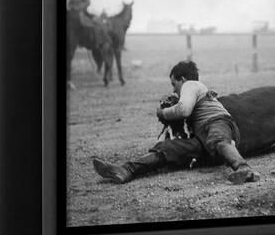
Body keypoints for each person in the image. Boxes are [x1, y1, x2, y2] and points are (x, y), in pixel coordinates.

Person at [93, 60, 261, 185]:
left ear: (182, 79)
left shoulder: (192, 84)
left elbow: (183, 110)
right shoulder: (193, 91)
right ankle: (126, 170)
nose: (174, 89)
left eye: (174, 84)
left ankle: (243, 168)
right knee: (169, 149)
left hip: (218, 123)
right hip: (205, 139)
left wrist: (163, 112)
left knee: (217, 138)